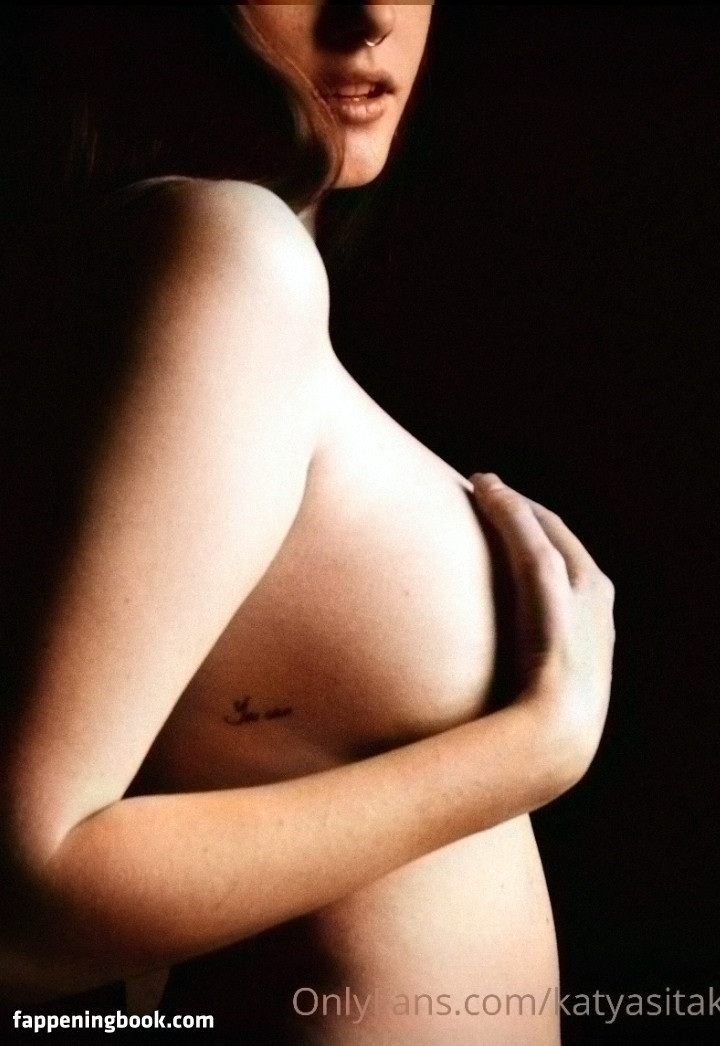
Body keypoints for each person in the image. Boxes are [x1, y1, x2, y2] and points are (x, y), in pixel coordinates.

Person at [0, 5, 614, 1043]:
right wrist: (535, 747)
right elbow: (26, 901)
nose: (369, 16)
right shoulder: (224, 251)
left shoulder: (172, 268)